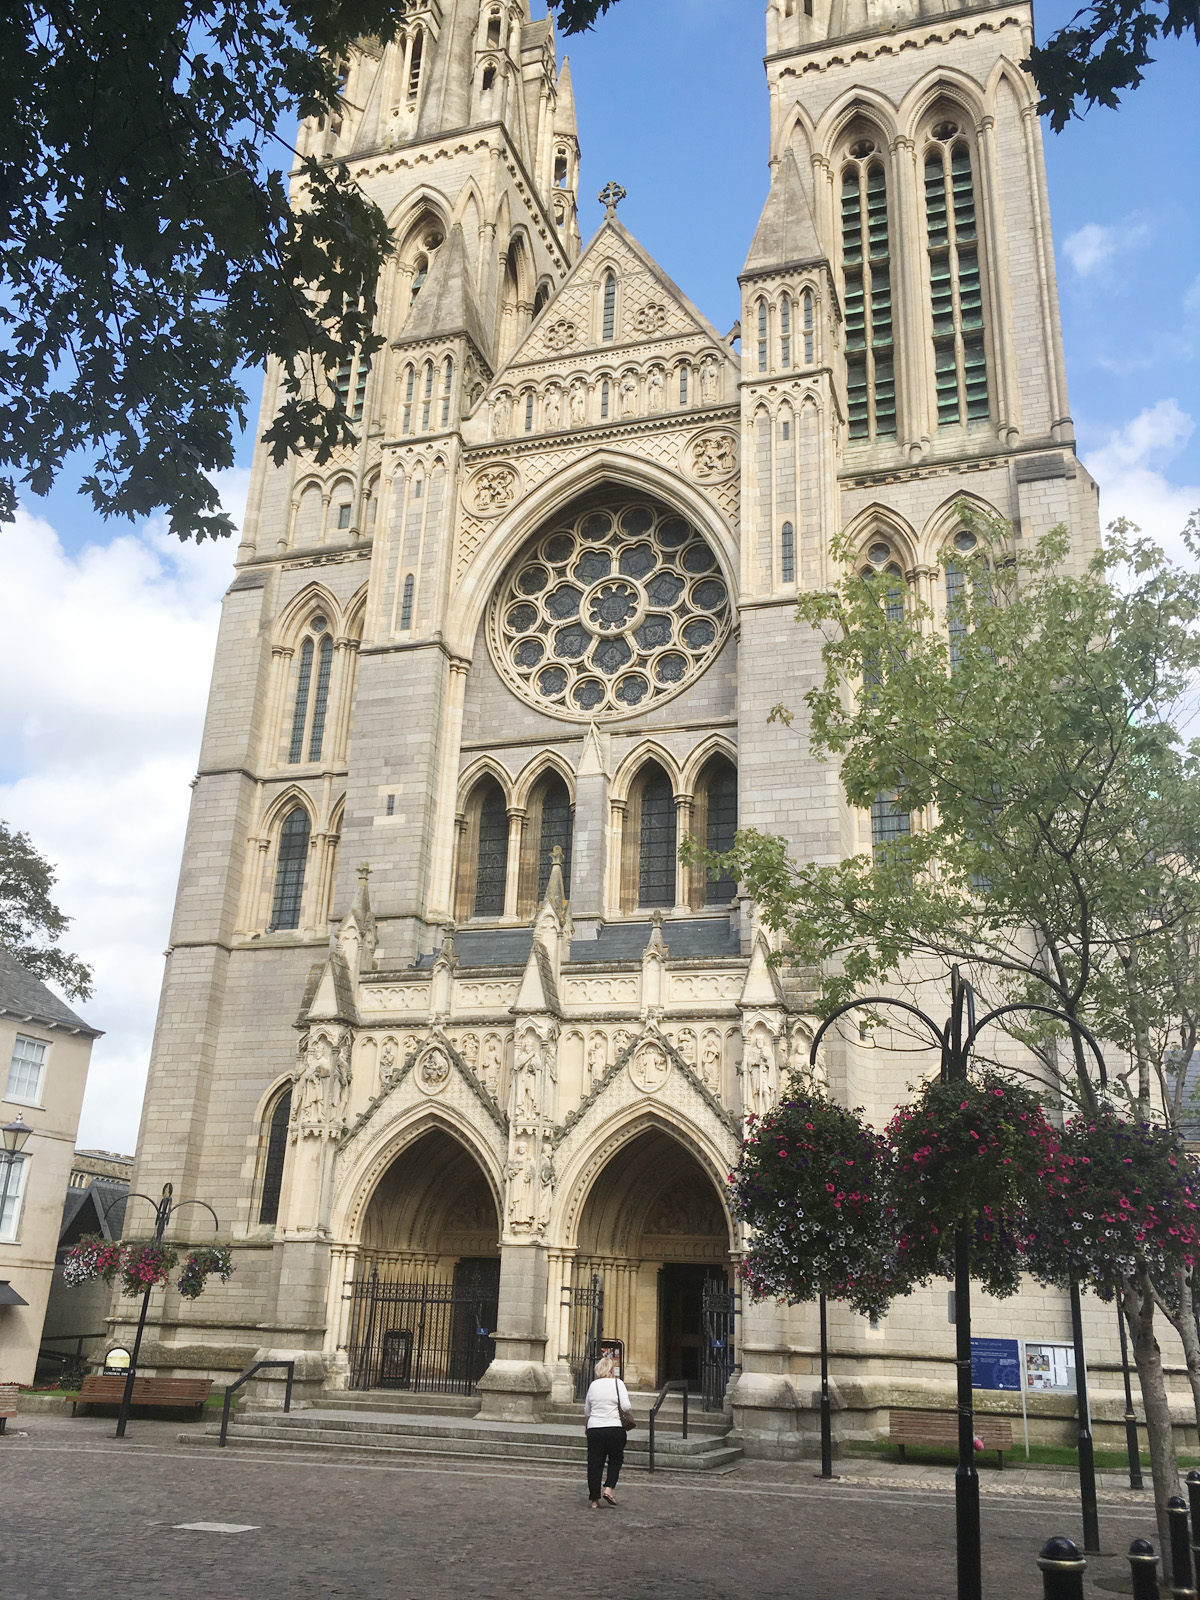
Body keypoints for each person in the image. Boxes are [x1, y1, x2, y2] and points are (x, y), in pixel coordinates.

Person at [583, 1353, 632, 1508]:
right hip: (614, 1427)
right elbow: (626, 1407)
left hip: (595, 1428)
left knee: (594, 1463)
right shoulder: (618, 1384)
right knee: (616, 1459)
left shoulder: (593, 1385)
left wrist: (587, 1426)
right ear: (611, 1371)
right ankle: (609, 1488)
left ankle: (594, 1499)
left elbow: (587, 1410)